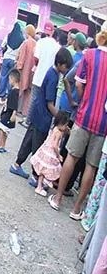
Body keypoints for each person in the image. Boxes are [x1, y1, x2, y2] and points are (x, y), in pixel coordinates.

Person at [52, 28, 107, 219]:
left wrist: (84, 101)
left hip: (84, 116)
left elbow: (77, 83)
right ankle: (76, 209)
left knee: (72, 157)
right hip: (103, 123)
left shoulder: (90, 55)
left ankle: (58, 198)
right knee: (91, 166)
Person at [11, 47, 73, 178]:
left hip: (37, 113)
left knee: (28, 141)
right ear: (60, 64)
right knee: (39, 146)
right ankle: (36, 175)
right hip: (43, 116)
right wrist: (61, 120)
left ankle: (17, 164)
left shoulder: (51, 72)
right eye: (66, 67)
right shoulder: (53, 77)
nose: (66, 70)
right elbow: (49, 103)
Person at [31, 111, 73, 197]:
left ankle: (40, 185)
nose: (66, 127)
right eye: (65, 125)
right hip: (51, 153)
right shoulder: (58, 133)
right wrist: (58, 155)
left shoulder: (55, 128)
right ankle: (44, 184)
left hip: (46, 150)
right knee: (51, 169)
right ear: (61, 123)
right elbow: (55, 145)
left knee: (43, 170)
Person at [0, 69, 22, 153]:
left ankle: (0, 144)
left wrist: (14, 114)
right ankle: (2, 145)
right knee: (5, 129)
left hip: (8, 113)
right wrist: (4, 102)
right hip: (8, 111)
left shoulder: (15, 92)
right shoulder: (14, 90)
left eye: (9, 79)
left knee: (2, 128)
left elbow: (15, 104)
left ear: (13, 79)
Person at [0, 22, 25, 101]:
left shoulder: (8, 35)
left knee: (3, 76)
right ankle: (7, 94)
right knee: (11, 78)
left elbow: (2, 45)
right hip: (14, 60)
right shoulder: (22, 40)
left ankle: (0, 94)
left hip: (6, 58)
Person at [15, 24, 38, 117]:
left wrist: (18, 67)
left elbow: (22, 57)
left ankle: (16, 108)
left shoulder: (26, 43)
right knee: (28, 92)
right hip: (32, 71)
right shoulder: (36, 44)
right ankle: (25, 112)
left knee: (20, 89)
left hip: (24, 70)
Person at [35, 26, 64, 93]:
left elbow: (36, 59)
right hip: (50, 79)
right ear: (57, 37)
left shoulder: (40, 42)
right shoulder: (58, 48)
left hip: (38, 77)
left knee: (34, 98)